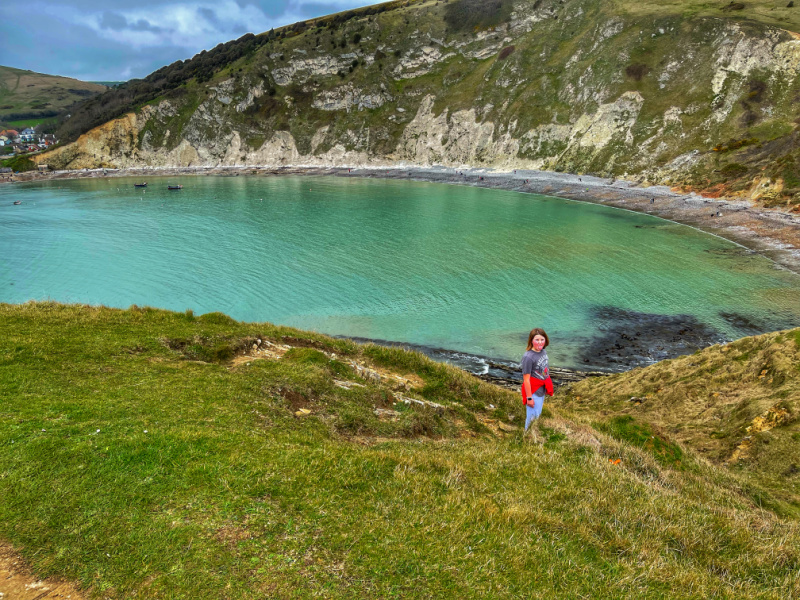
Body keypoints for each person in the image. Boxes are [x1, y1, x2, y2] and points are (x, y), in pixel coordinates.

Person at [520, 328, 554, 431]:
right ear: (531, 341)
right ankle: (527, 438)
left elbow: (544, 369)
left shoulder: (543, 351)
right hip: (533, 391)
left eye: (542, 339)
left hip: (541, 390)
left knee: (537, 414)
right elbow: (526, 379)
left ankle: (534, 435)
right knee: (531, 418)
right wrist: (529, 398)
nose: (540, 342)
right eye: (537, 340)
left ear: (546, 340)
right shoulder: (528, 357)